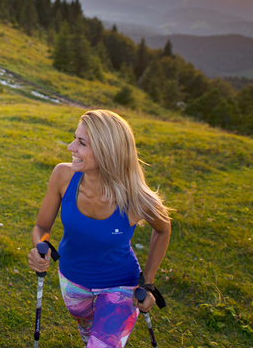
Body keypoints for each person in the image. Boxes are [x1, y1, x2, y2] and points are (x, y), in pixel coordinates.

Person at [28, 109, 171, 347]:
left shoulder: (136, 198)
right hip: (72, 280)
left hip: (121, 284)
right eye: (75, 137)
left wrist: (148, 282)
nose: (70, 147)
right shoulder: (63, 175)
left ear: (107, 152)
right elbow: (41, 226)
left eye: (81, 142)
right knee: (87, 331)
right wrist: (40, 247)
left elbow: (163, 229)